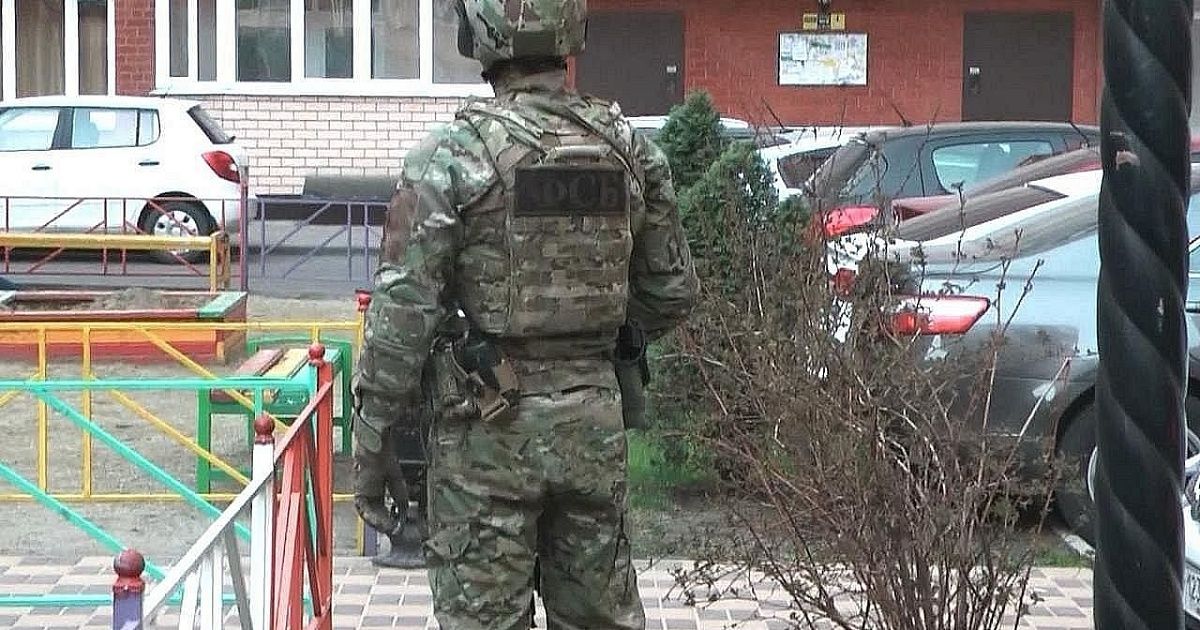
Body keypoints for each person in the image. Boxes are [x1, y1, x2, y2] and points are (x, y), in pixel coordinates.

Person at [351, 0, 698, 627]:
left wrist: (372, 437)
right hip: (593, 427)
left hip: (485, 434)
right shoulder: (629, 150)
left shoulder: (452, 156)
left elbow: (402, 316)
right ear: (571, 34)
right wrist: (594, 337)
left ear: (477, 36)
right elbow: (671, 291)